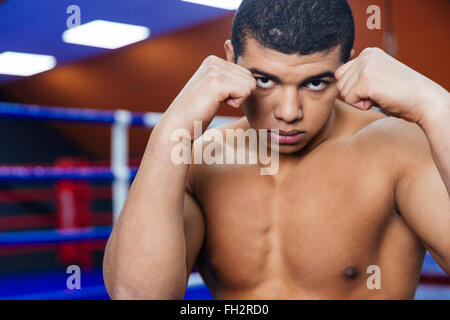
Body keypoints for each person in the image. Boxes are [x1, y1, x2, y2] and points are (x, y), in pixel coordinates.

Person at [103, 0, 450, 299]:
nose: (288, 112)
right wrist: (170, 128)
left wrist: (436, 107)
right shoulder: (201, 161)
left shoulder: (398, 150)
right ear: (230, 61)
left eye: (315, 83)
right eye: (265, 80)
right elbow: (138, 294)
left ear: (348, 69)